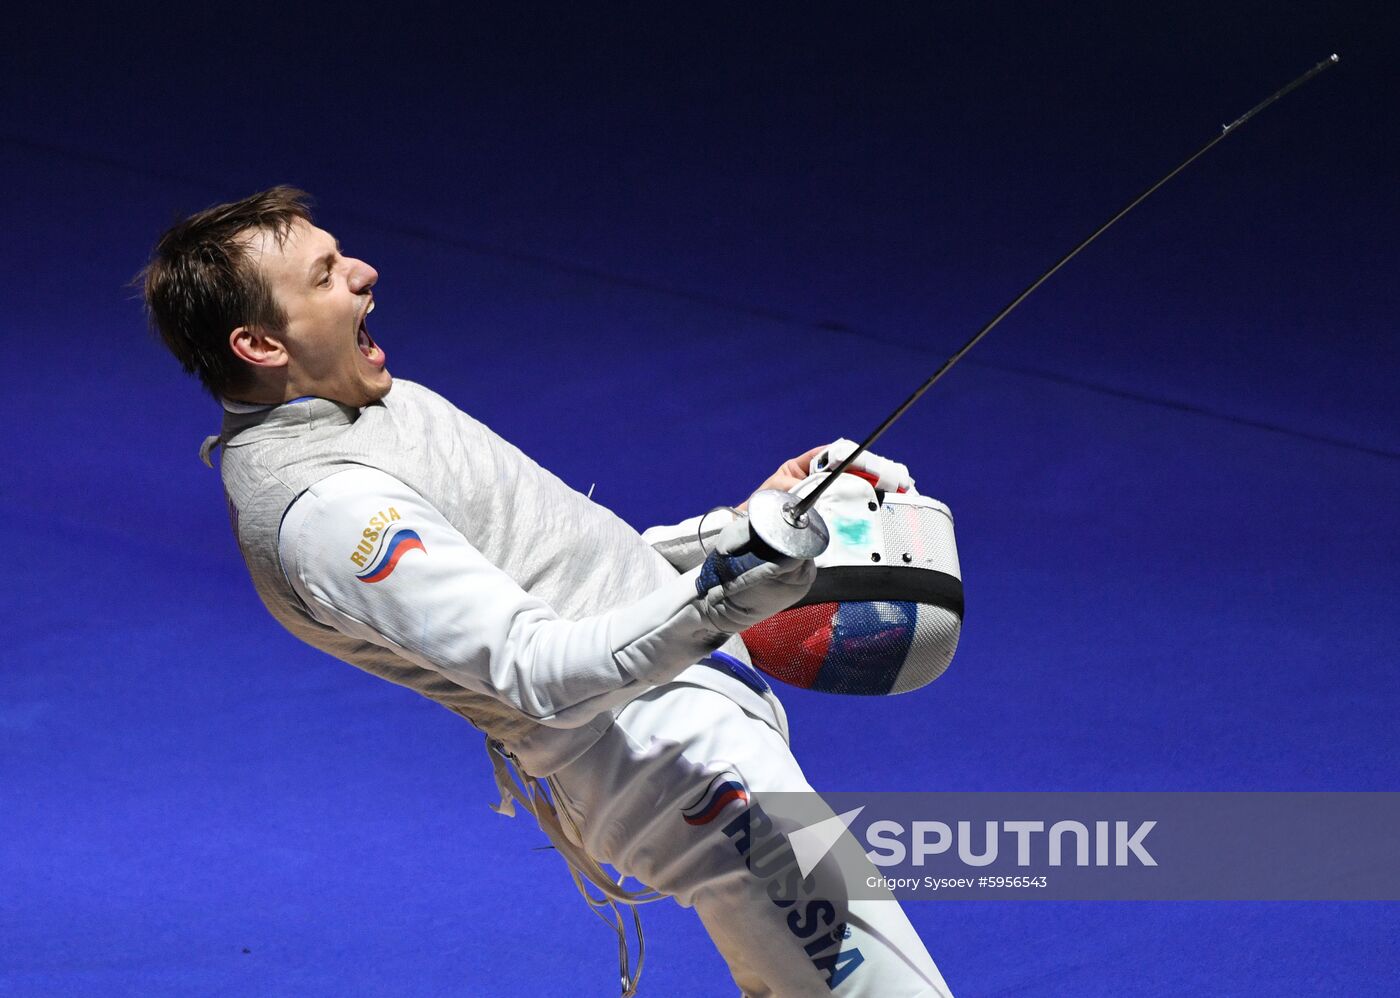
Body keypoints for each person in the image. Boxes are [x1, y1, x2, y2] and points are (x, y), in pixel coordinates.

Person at [141, 187, 954, 997]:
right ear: (257, 344)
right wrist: (731, 583)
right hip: (678, 774)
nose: (363, 272)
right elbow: (537, 670)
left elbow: (564, 566)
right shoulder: (327, 512)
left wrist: (743, 526)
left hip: (690, 735)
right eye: (323, 277)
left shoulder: (362, 401)